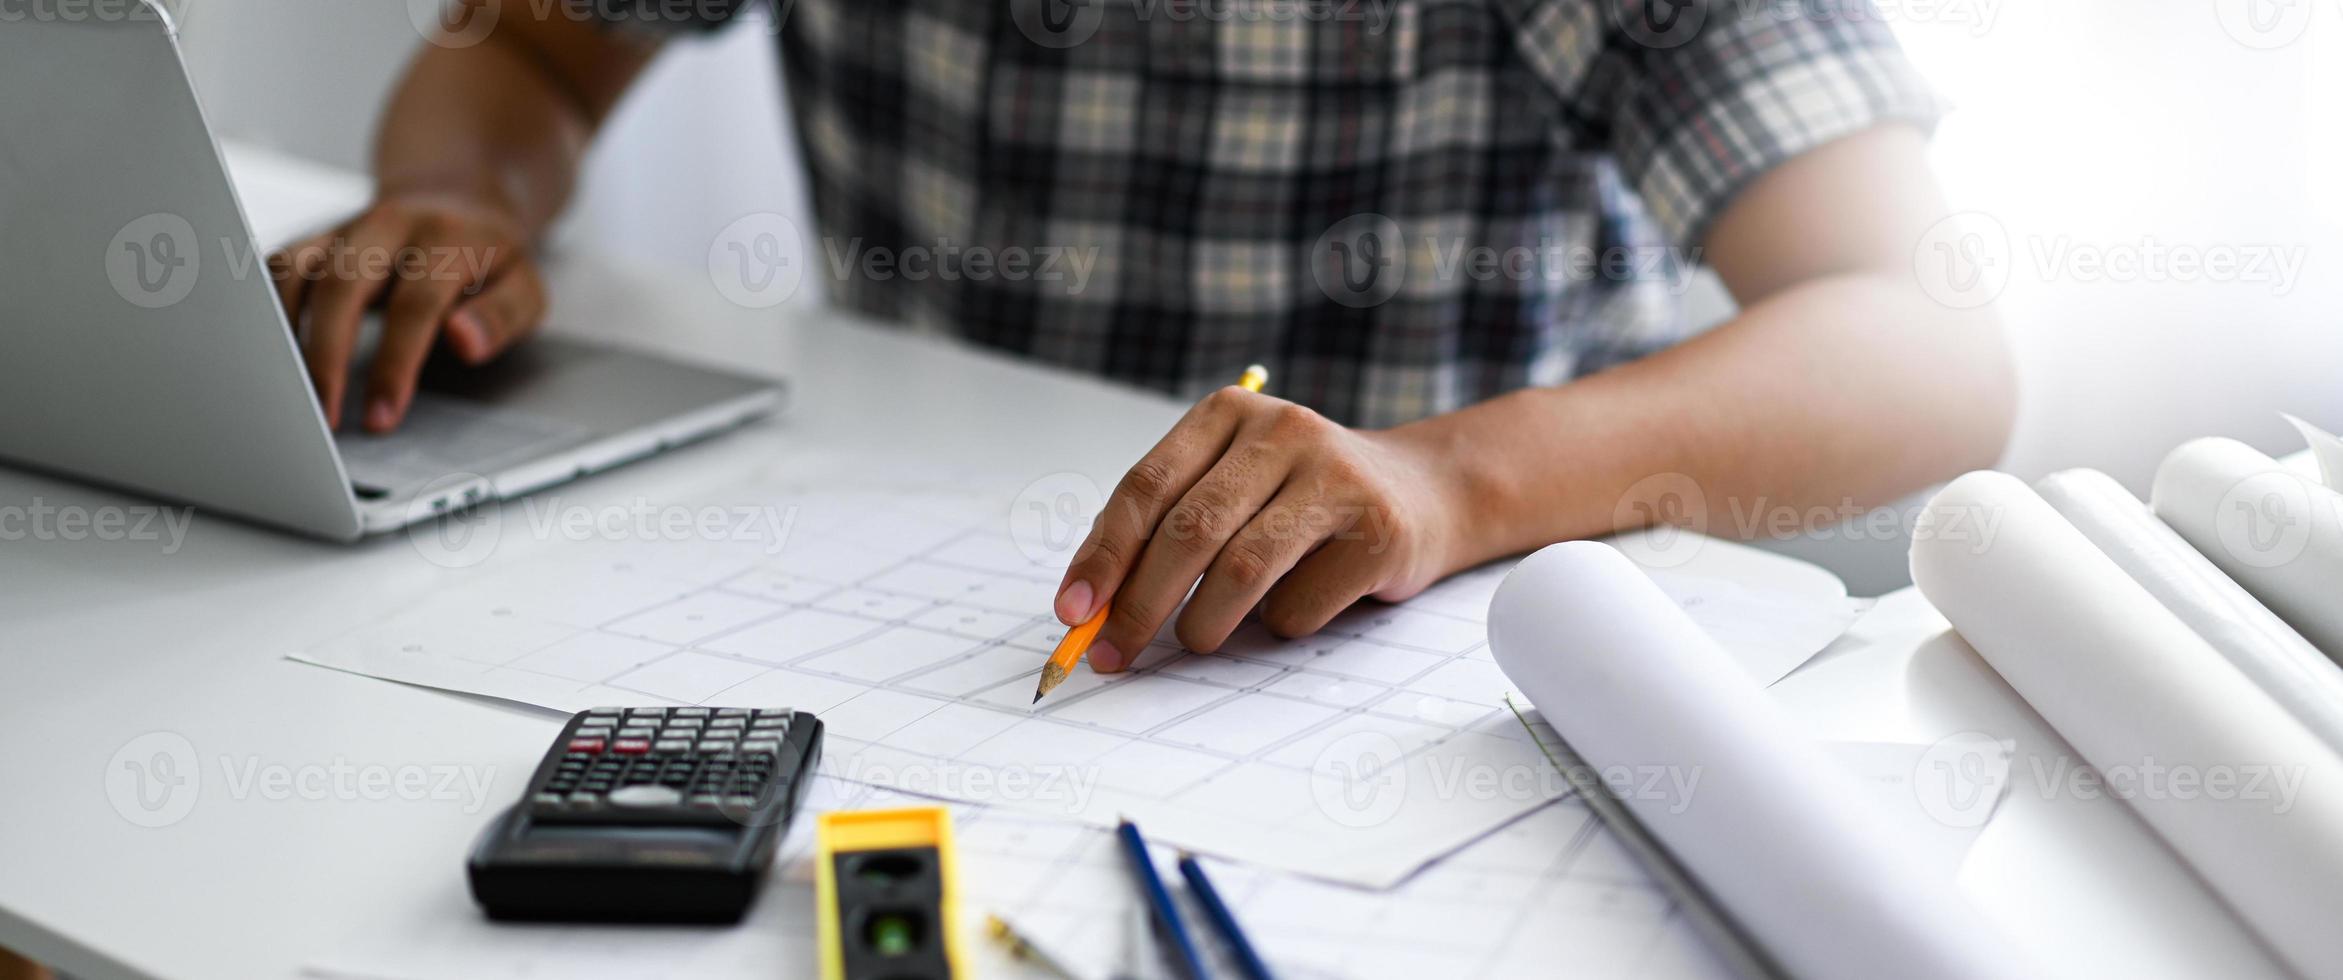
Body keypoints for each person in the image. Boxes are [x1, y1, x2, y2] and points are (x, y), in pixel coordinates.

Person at [273, 0, 2012, 671]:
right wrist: (463, 193)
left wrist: (1446, 480)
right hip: (907, 608)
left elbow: (1924, 347)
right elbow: (523, 55)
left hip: (1434, 631)